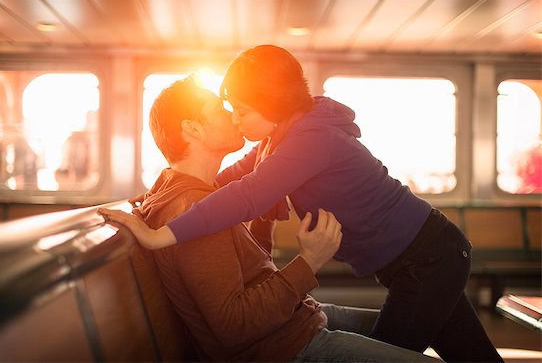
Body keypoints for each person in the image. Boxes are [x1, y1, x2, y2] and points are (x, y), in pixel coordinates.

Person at [100, 45, 502, 362]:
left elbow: (246, 194)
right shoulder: (277, 141)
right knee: (473, 354)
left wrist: (161, 236)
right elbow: (223, 183)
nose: (236, 120)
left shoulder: (309, 139)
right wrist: (156, 199)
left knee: (394, 349)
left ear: (271, 104)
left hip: (429, 258)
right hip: (420, 260)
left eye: (241, 110)